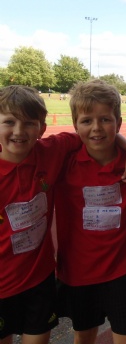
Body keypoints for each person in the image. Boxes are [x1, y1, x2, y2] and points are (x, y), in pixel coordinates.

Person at [54, 80, 126, 344]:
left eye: (105, 119)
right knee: (84, 335)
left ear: (118, 122)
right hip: (78, 272)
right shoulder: (64, 160)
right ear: (75, 125)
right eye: (87, 121)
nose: (96, 128)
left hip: (119, 270)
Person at [0, 86, 82, 344]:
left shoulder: (51, 151)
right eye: (9, 122)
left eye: (29, 123)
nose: (18, 131)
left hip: (39, 279)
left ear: (42, 128)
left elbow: (89, 135)